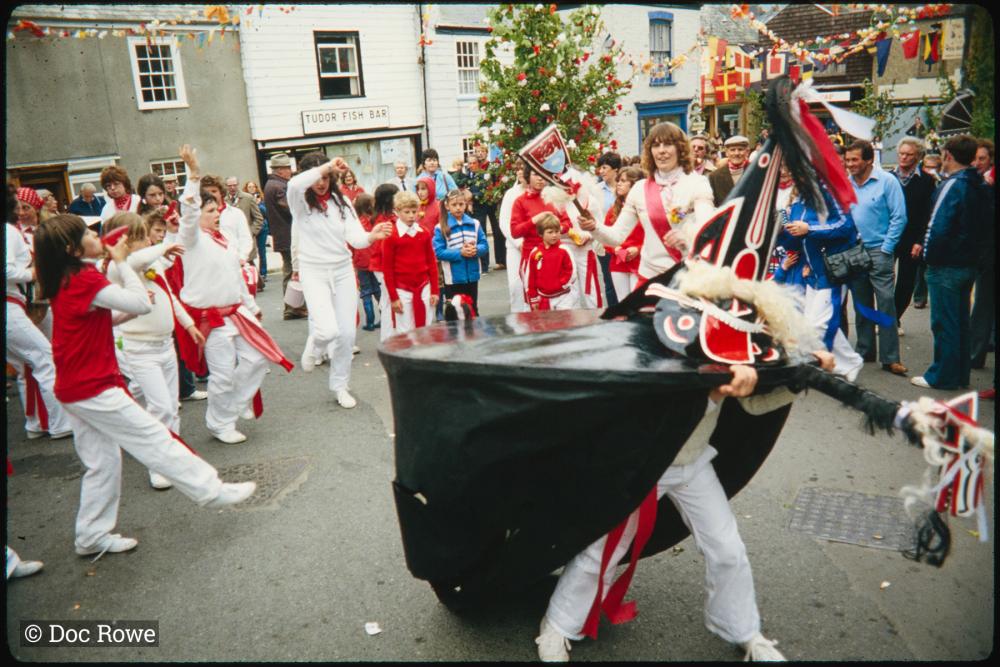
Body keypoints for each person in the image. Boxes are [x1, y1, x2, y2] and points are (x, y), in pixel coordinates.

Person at [534, 355, 835, 663]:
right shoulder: (662, 327)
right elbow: (652, 405)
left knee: (727, 549)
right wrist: (715, 391)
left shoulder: (731, 331)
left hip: (693, 462)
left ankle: (744, 631)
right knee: (604, 547)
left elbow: (753, 404)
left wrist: (801, 380)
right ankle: (559, 624)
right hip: (649, 462)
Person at [32, 213, 257, 557]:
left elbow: (101, 317)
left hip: (76, 386)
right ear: (72, 249)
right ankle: (211, 490)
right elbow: (136, 300)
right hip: (91, 386)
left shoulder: (71, 278)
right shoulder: (83, 279)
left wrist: (127, 295)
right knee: (153, 437)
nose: (96, 235)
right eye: (87, 234)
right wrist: (122, 265)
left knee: (103, 463)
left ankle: (91, 536)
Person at [176, 145, 291, 443]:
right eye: (211, 211)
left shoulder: (223, 237)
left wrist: (251, 306)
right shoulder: (190, 240)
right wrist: (193, 175)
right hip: (210, 319)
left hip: (236, 312)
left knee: (257, 359)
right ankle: (219, 423)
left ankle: (232, 409)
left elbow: (235, 276)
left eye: (217, 209)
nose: (217, 214)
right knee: (222, 375)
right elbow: (188, 212)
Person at [101, 212, 204, 489]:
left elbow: (169, 295)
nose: (146, 240)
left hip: (164, 344)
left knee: (170, 406)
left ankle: (172, 455)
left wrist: (189, 323)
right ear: (122, 241)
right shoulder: (116, 267)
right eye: (138, 237)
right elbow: (135, 260)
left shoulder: (152, 260)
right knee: (160, 406)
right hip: (139, 347)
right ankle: (157, 464)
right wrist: (163, 245)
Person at [288, 152, 392, 408]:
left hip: (343, 270)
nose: (321, 182)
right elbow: (293, 184)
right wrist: (326, 165)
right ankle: (314, 346)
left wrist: (372, 236)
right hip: (314, 271)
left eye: (326, 177)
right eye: (317, 177)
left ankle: (340, 386)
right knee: (327, 329)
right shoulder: (299, 199)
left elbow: (355, 237)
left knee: (346, 334)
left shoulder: (342, 202)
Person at [584, 122, 714, 288]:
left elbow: (709, 226)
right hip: (649, 282)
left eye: (668, 144)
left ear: (680, 149)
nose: (661, 151)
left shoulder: (697, 183)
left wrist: (688, 237)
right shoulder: (639, 189)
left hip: (687, 280)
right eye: (655, 145)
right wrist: (593, 227)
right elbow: (616, 237)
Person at [910, 136, 992, 389]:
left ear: (948, 155)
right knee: (960, 323)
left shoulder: (953, 185)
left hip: (946, 264)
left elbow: (938, 225)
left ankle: (942, 376)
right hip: (967, 262)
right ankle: (958, 374)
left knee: (944, 323)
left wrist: (928, 257)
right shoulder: (978, 182)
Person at [6, 186, 72, 440]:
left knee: (36, 360)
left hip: (42, 302)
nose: (21, 212)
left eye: (27, 208)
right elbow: (11, 271)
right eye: (17, 207)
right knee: (42, 359)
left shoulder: (47, 231)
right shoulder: (12, 233)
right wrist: (33, 273)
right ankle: (54, 422)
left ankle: (36, 423)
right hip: (20, 303)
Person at [782, 185, 865, 381]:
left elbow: (846, 226)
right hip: (812, 272)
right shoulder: (798, 200)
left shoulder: (831, 194)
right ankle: (848, 362)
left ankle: (817, 365)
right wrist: (781, 231)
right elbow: (795, 241)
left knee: (818, 324)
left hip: (832, 270)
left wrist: (809, 229)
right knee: (813, 324)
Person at [844, 139, 908, 376]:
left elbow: (899, 217)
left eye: (855, 160)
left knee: (885, 304)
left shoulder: (887, 182)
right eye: (847, 160)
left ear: (869, 160)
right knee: (861, 304)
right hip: (855, 251)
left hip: (879, 249)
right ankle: (864, 350)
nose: (850, 164)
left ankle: (890, 358)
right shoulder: (846, 183)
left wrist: (886, 248)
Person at [510, 166, 574, 306]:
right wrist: (534, 220)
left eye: (543, 175)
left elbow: (567, 223)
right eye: (535, 174)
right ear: (527, 177)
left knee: (561, 300)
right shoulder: (520, 201)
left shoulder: (553, 197)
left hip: (556, 254)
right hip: (533, 255)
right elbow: (515, 232)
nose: (540, 178)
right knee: (536, 303)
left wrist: (555, 230)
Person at [890, 137, 935, 336]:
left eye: (909, 154)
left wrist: (920, 241)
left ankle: (894, 318)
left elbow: (928, 213)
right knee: (883, 282)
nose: (904, 157)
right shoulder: (889, 178)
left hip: (912, 239)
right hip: (890, 237)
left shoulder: (926, 181)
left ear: (917, 157)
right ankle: (885, 318)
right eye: (901, 153)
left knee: (906, 283)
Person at [382, 191, 440, 333]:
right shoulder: (391, 236)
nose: (411, 216)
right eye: (406, 212)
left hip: (424, 287)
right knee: (405, 331)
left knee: (425, 327)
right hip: (402, 290)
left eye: (414, 211)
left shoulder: (424, 232)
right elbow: (387, 269)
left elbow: (432, 263)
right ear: (397, 212)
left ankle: (423, 355)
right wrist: (394, 298)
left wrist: (435, 291)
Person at [263, 153, 306, 320]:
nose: (290, 171)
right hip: (288, 235)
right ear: (280, 170)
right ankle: (292, 307)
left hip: (282, 235)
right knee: (292, 271)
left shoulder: (272, 184)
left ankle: (294, 306)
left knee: (290, 270)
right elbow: (290, 209)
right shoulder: (280, 186)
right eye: (288, 168)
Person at [433, 188, 488, 313]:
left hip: (472, 276)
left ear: (466, 204)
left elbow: (484, 245)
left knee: (473, 309)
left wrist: (476, 249)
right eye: (454, 205)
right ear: (447, 206)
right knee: (456, 311)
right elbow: (438, 251)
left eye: (461, 204)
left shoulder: (475, 223)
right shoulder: (441, 227)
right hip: (453, 278)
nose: (458, 208)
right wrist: (460, 253)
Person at [969, 138, 995, 370]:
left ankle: (975, 354)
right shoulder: (978, 184)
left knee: (983, 306)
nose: (977, 163)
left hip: (988, 254)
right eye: (975, 158)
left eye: (982, 158)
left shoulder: (986, 187)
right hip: (984, 253)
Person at [603, 166, 645, 302]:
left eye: (623, 181)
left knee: (637, 302)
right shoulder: (613, 210)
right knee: (622, 302)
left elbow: (654, 237)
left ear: (634, 185)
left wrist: (638, 249)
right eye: (618, 180)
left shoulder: (645, 209)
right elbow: (605, 238)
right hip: (618, 262)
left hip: (640, 261)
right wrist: (616, 249)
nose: (618, 184)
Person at [526, 213, 577, 311]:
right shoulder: (535, 252)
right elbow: (531, 278)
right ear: (541, 234)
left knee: (564, 322)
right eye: (550, 232)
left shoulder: (564, 250)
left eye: (557, 231)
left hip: (564, 296)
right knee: (547, 324)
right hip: (543, 298)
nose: (554, 235)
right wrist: (533, 298)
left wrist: (561, 284)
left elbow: (572, 272)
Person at [369, 183, 400, 342]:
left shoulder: (387, 217)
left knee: (387, 300)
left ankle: (390, 336)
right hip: (383, 266)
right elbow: (383, 248)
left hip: (382, 265)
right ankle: (389, 338)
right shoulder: (384, 220)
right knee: (389, 302)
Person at [201, 175, 253, 264]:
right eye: (206, 192)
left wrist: (242, 257)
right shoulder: (200, 217)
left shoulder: (236, 213)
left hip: (236, 261)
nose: (210, 195)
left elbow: (245, 238)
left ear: (221, 192)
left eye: (214, 191)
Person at [469, 144, 504, 272]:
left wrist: (496, 194)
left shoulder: (492, 166)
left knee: (497, 230)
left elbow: (498, 182)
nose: (480, 154)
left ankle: (501, 260)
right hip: (481, 203)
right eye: (477, 151)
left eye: (482, 151)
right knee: (482, 230)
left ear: (486, 152)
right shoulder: (475, 168)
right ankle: (485, 263)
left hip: (492, 201)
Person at [499, 160, 529, 313]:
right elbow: (504, 221)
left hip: (534, 245)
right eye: (517, 169)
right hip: (514, 246)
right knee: (516, 286)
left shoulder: (539, 191)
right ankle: (518, 316)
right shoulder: (511, 194)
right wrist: (518, 243)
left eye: (522, 169)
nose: (519, 172)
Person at [595, 152, 622, 307]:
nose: (601, 171)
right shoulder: (596, 190)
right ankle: (614, 314)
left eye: (605, 167)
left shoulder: (624, 187)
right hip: (605, 242)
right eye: (600, 168)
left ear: (616, 170)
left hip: (625, 241)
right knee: (610, 282)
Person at [352, 193, 381, 332]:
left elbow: (352, 244)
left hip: (361, 262)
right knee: (378, 289)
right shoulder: (374, 221)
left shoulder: (356, 223)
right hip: (375, 260)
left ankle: (370, 321)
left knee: (366, 291)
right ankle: (384, 317)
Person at [225, 176, 265, 265]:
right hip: (231, 241)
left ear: (238, 185)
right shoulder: (224, 200)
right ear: (226, 186)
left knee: (249, 267)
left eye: (234, 185)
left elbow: (259, 218)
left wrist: (251, 232)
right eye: (229, 186)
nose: (232, 188)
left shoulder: (248, 198)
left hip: (245, 240)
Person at [708, 135, 751, 206]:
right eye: (732, 150)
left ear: (747, 152)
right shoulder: (714, 177)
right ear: (726, 153)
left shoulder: (756, 173)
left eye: (740, 149)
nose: (736, 153)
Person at [243, 181, 269, 290]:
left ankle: (263, 273)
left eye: (253, 187)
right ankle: (257, 277)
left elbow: (264, 213)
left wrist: (259, 204)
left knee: (262, 251)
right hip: (250, 230)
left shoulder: (260, 198)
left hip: (262, 228)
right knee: (250, 254)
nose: (251, 188)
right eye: (249, 187)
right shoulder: (246, 199)